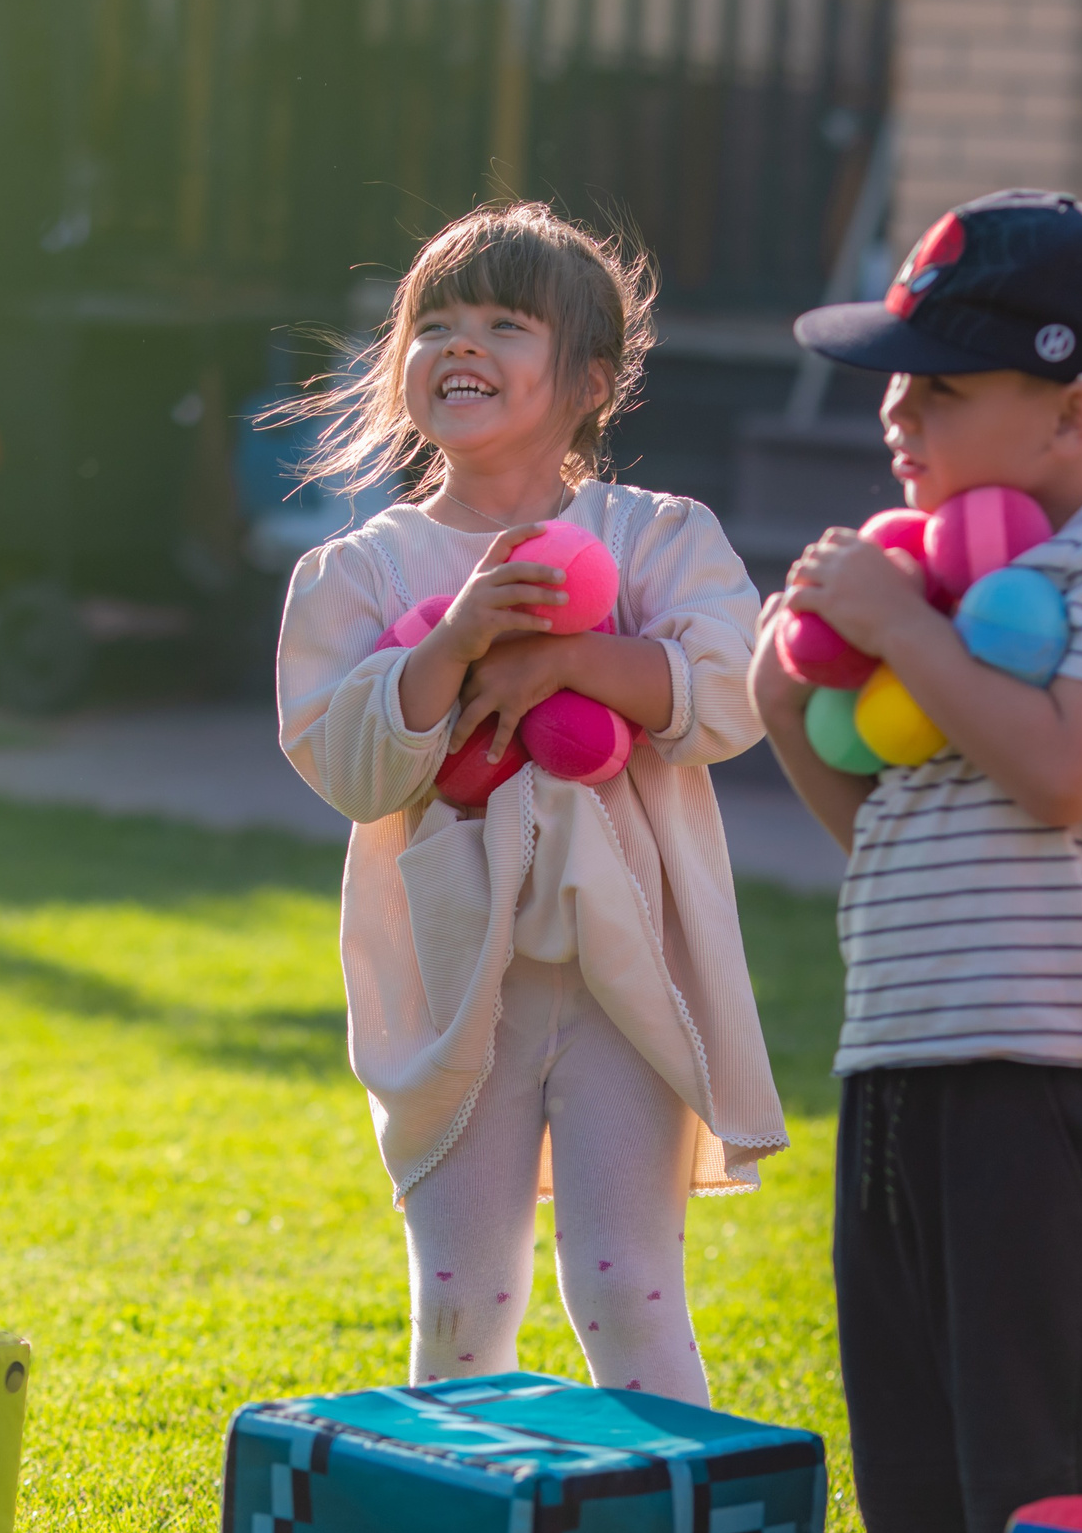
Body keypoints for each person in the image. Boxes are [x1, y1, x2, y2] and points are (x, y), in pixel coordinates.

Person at [753, 191, 1082, 1533]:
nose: (894, 415)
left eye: (939, 386)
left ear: (1073, 414)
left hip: (1047, 1084)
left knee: (1036, 1463)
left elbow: (1064, 770)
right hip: (898, 1065)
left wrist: (903, 629)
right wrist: (791, 705)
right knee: (909, 1456)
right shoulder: (936, 583)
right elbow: (893, 845)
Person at [275, 203, 786, 1402]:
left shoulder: (654, 539)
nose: (464, 344)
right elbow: (345, 761)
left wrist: (561, 661)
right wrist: (450, 645)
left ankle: (673, 1502)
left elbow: (728, 696)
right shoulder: (361, 573)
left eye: (506, 323)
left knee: (627, 1283)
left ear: (589, 380)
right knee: (462, 1297)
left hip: (626, 981)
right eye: (435, 323)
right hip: (454, 991)